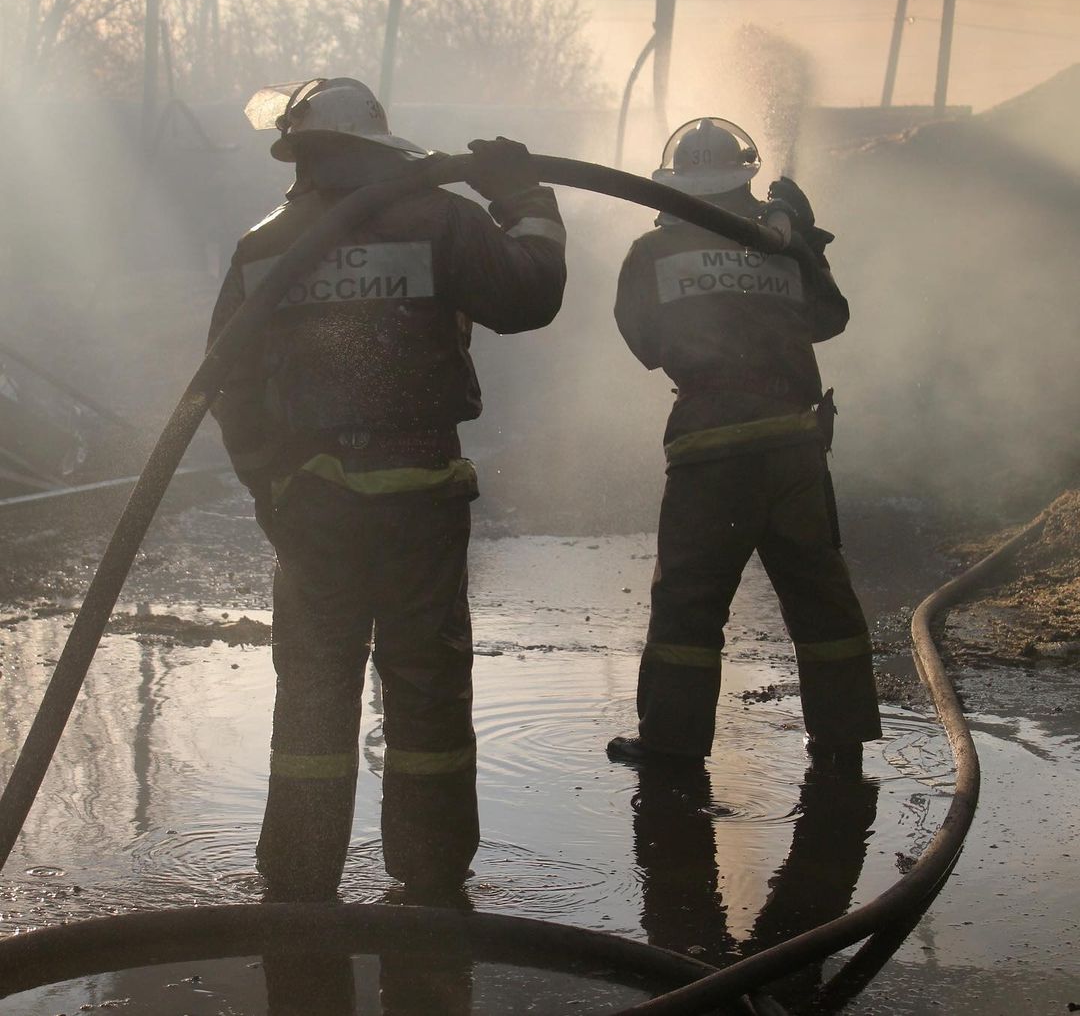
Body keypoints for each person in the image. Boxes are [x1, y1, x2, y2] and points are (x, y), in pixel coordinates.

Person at [207, 77, 566, 899]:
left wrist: (271, 488)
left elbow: (229, 384)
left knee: (314, 689)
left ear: (301, 153)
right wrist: (525, 198)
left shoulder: (265, 244)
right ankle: (431, 876)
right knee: (427, 686)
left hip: (311, 504)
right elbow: (530, 295)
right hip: (420, 495)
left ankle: (300, 877)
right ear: (380, 147)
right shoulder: (440, 219)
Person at [607, 118, 881, 768]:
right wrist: (805, 240)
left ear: (676, 183)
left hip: (711, 451)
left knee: (690, 603)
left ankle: (672, 744)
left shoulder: (653, 252)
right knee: (820, 598)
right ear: (745, 176)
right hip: (794, 448)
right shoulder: (780, 244)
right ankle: (841, 737)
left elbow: (644, 342)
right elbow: (830, 318)